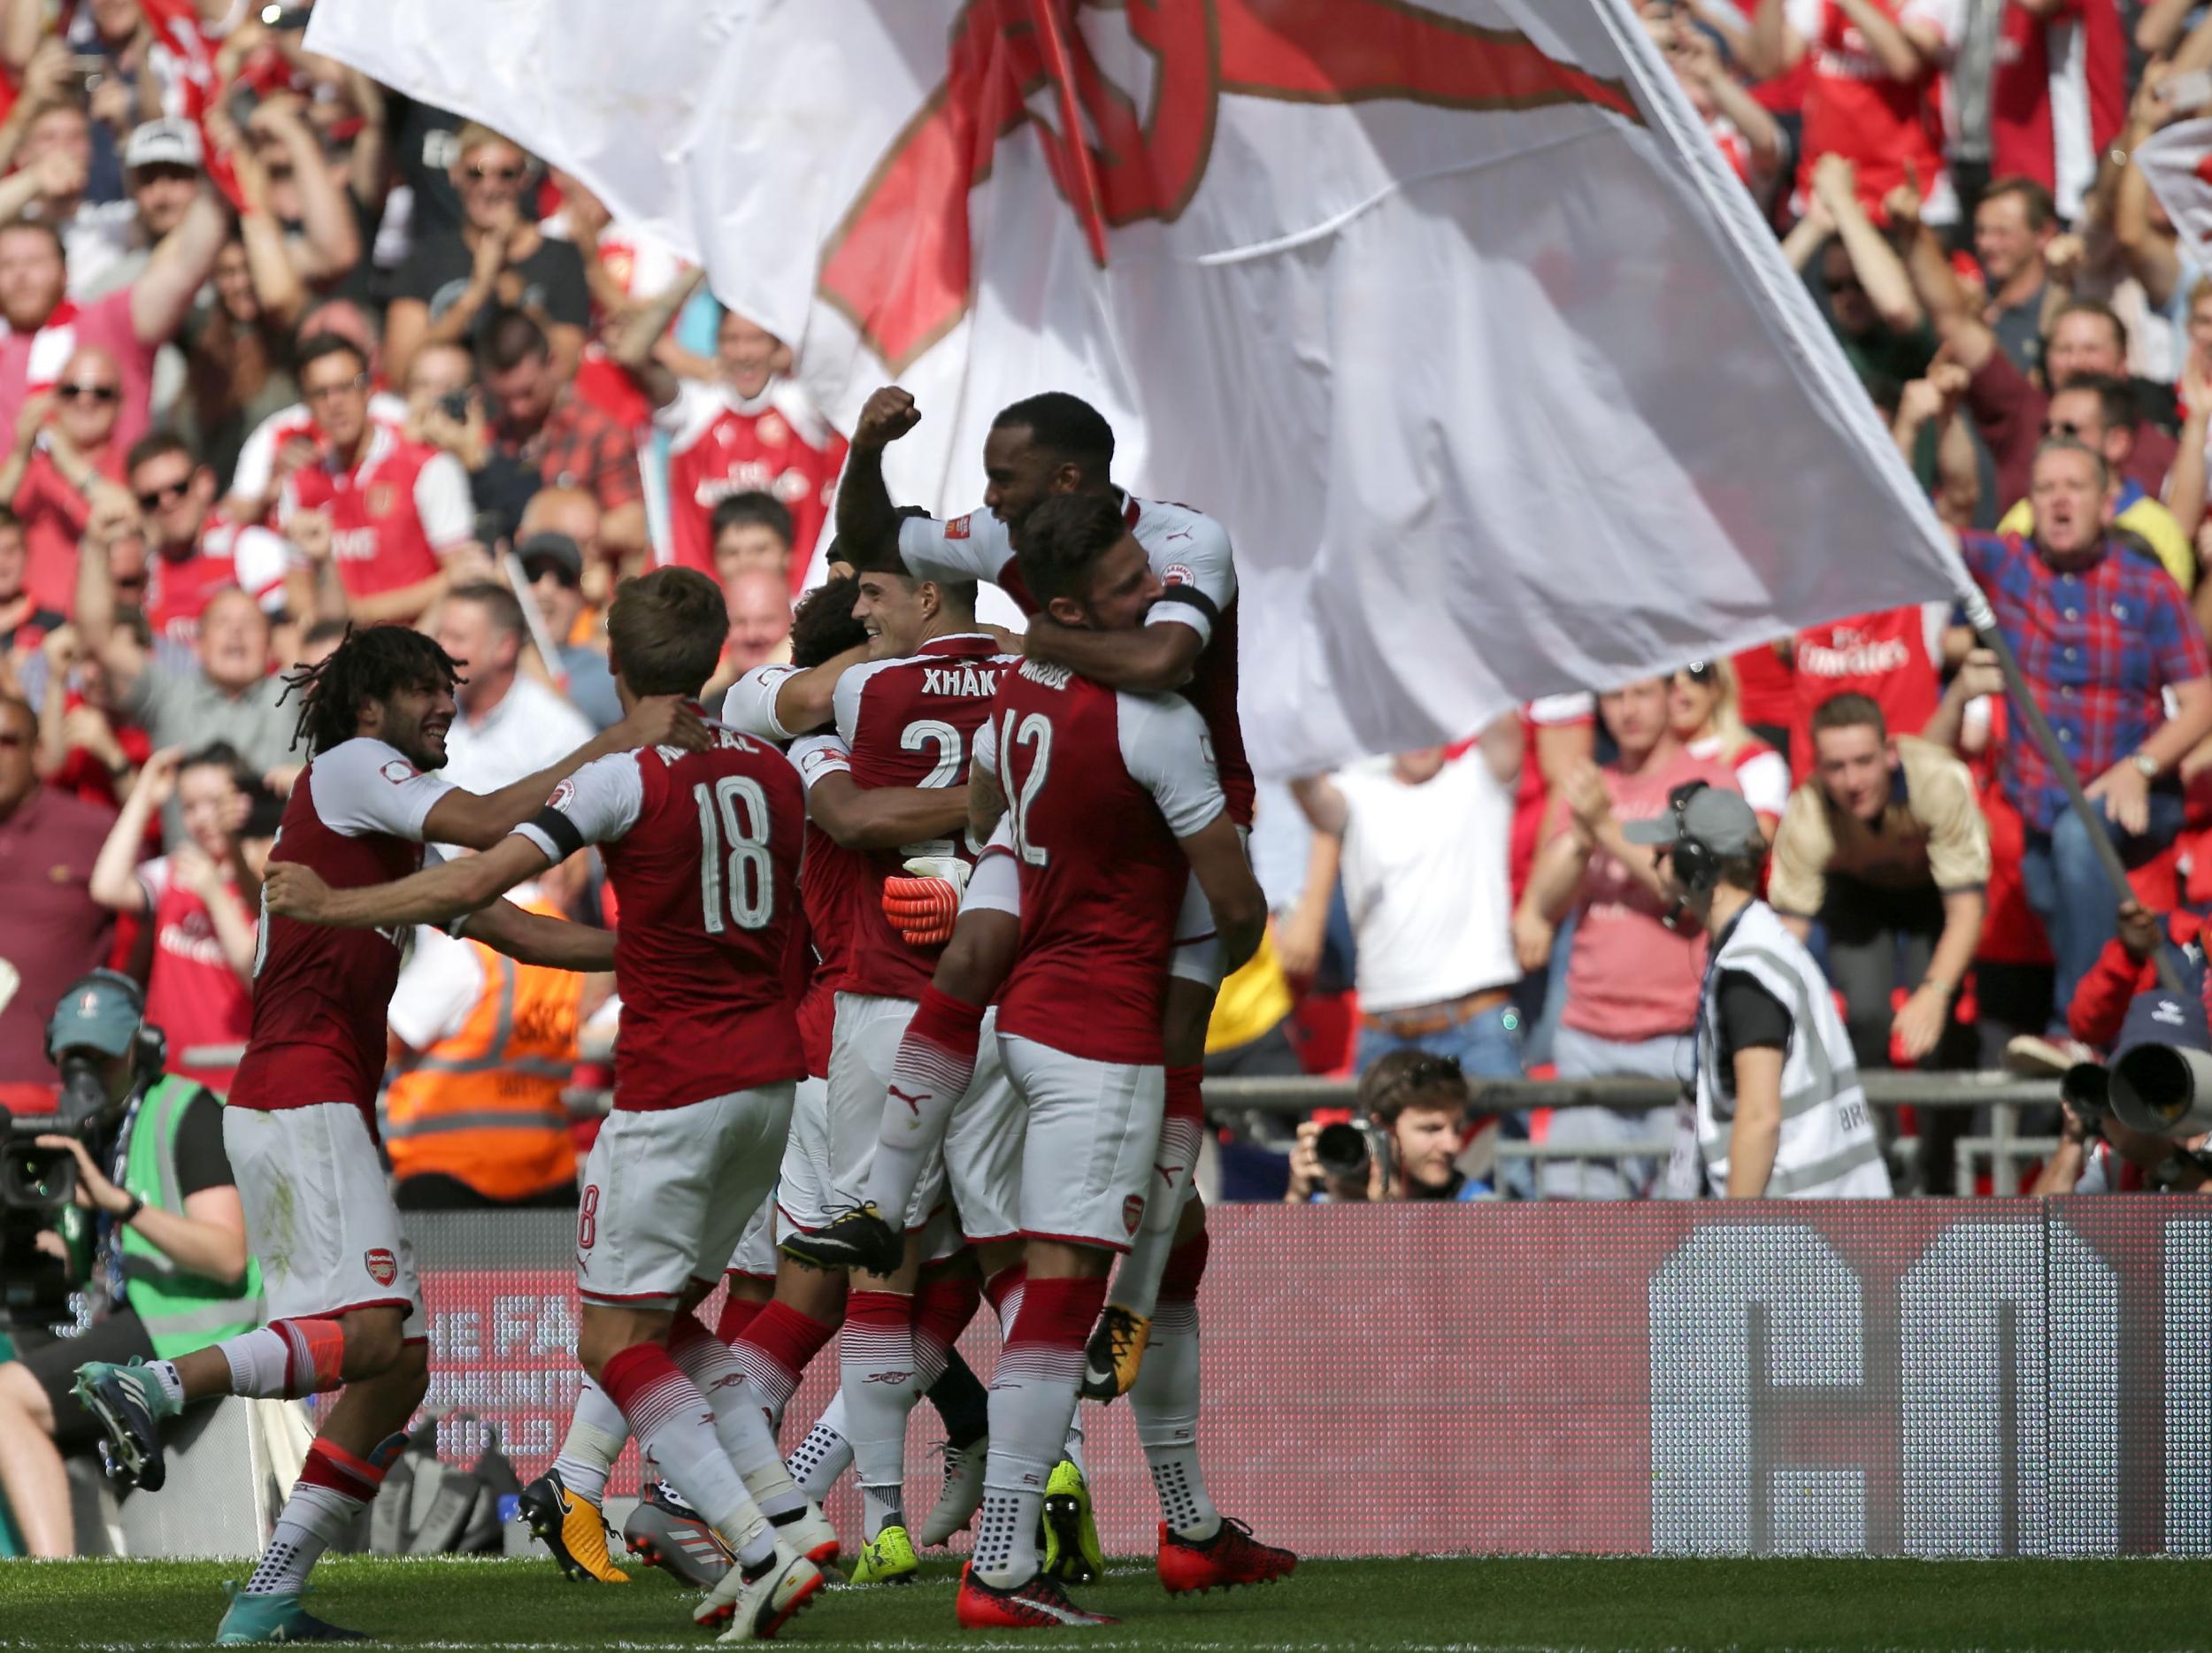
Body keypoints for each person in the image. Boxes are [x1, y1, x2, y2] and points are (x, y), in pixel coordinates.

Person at [68, 622, 701, 1644]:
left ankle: (268, 1594)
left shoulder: (377, 826)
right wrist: (616, 738)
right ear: (369, 709)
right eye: (422, 689)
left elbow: (520, 926)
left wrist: (665, 953)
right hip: (304, 1094)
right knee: (377, 1340)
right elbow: (500, 814)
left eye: (447, 687)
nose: (444, 703)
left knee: (396, 1362)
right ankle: (153, 1381)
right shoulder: (359, 768)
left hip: (304, 1099)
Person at [257, 573, 836, 1640]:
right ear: (708, 654)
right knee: (668, 1324)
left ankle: (752, 1546)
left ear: (613, 664)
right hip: (772, 1082)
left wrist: (332, 902)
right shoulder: (775, 772)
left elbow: (468, 877)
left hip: (672, 1090)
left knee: (611, 1339)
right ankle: (794, 1518)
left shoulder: (622, 778)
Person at [802, 386, 1250, 1414]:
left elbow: (1163, 656)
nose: (984, 495)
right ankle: (878, 1200)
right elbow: (874, 534)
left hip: (1183, 811)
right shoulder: (1005, 540)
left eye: (1001, 477)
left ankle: (1130, 1299)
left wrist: (1044, 644)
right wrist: (866, 451)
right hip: (1062, 805)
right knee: (964, 959)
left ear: (1065, 478)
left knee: (1177, 1037)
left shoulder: (1181, 541)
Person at [952, 491, 1285, 1629]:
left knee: (1172, 1246)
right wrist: (1207, 945)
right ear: (1064, 605)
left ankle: (1190, 1525)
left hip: (1024, 1012)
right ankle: (998, 1566)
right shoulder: (1156, 719)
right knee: (1063, 1300)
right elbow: (1237, 902)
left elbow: (991, 816)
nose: (1156, 593)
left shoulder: (1015, 686)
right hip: (1104, 1030)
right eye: (1130, 582)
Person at [805, 559, 1018, 1587]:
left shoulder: (859, 692)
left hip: (884, 1007)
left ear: (928, 596)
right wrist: (979, 862)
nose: (862, 615)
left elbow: (843, 812)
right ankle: (1046, 1492)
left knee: (872, 1265)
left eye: (877, 597)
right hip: (1009, 1005)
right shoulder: (1037, 678)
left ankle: (880, 1516)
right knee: (1017, 1260)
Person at [1955, 439, 2212, 1030]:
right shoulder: (2009, 565)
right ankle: (2113, 1012)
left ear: (2107, 502)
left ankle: (2077, 1027)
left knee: (2080, 835)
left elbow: (2201, 703)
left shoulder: (2147, 587)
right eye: (2045, 489)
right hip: (2036, 804)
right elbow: (1929, 534)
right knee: (2056, 891)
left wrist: (2140, 768)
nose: (2059, 501)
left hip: (2132, 796)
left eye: (2075, 487)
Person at [0, 971, 255, 1557]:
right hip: (138, 1318)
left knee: (6, 1398)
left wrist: (122, 1205)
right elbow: (102, 1262)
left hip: (193, 1325)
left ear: (140, 1050)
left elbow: (227, 1255)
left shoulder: (187, 1110)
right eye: (74, 1058)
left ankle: (53, 1581)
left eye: (102, 1058)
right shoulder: (98, 1133)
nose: (87, 1074)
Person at [1513, 678, 1739, 1200]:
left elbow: (1691, 894)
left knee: (1677, 1237)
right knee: (1582, 1238)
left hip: (1675, 1042)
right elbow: (1546, 902)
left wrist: (1604, 827)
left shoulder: (1708, 782)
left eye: (1640, 694)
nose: (1627, 711)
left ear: (1670, 695)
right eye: (1613, 698)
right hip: (1589, 1039)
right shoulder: (1592, 785)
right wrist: (1579, 835)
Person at [1629, 781, 1893, 1199]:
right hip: (1822, 1222)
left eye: (1663, 855)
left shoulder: (1747, 970)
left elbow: (1759, 1117)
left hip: (1795, 1233)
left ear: (1693, 865)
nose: (1654, 864)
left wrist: (1734, 1237)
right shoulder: (1764, 943)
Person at [1287, 728, 1524, 1078]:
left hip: (1479, 1027)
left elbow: (1502, 720)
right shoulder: (1355, 790)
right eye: (1405, 722)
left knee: (1503, 1135)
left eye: (1427, 720)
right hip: (1385, 1034)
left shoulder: (1479, 778)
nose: (1417, 736)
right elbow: (1309, 791)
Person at [381, 849, 592, 1210]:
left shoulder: (470, 938)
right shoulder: (559, 930)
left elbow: (387, 1039)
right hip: (545, 1174)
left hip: (450, 1175)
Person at [76, 514, 297, 835]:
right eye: (222, 623)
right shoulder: (168, 693)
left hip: (279, 880)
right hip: (186, 878)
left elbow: (335, 633)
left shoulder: (296, 694)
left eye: (249, 624)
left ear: (269, 646)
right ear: (198, 645)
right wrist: (95, 546)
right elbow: (98, 640)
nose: (236, 632)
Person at [614, 290, 844, 592]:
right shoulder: (695, 408)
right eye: (731, 340)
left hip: (797, 601)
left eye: (755, 339)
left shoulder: (801, 404)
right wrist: (697, 271)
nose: (744, 353)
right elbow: (633, 351)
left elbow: (840, 346)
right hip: (705, 606)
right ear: (717, 345)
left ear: (777, 345)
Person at [88, 744, 262, 1093]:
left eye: (214, 802)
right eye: (189, 807)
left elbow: (258, 977)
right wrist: (144, 796)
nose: (202, 818)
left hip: (236, 1082)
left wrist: (214, 893)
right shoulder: (174, 872)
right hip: (168, 1080)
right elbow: (106, 887)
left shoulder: (263, 881)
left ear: (242, 801)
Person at [0, 184, 225, 450]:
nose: (21, 275)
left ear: (65, 272)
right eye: (7, 264)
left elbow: (187, 267)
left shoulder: (109, 321)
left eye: (34, 262)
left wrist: (218, 171)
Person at [279, 334, 479, 625]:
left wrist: (358, 613)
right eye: (320, 393)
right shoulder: (300, 483)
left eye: (346, 387)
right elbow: (296, 590)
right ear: (306, 403)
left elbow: (460, 574)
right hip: (341, 650)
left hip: (418, 640)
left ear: (370, 389)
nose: (335, 403)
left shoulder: (427, 466)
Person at [384, 124, 589, 385]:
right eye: (476, 173)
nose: (490, 187)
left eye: (506, 174)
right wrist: (475, 294)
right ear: (455, 175)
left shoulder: (561, 257)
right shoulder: (426, 257)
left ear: (524, 178)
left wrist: (518, 297)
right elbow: (400, 372)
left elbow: (564, 368)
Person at [0, 692, 115, 1104]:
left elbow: (152, 918)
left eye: (8, 741)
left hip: (53, 1095)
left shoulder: (92, 830)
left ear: (38, 750)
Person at [1992, 375, 2196, 598]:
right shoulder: (2024, 516)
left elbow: (2167, 623)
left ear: (2117, 443)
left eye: (2070, 430)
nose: (2053, 439)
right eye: (2047, 428)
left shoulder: (2160, 530)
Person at [473, 308, 646, 562]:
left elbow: (633, 528)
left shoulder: (598, 433)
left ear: (552, 362)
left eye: (526, 392)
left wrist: (551, 530)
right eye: (503, 398)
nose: (517, 409)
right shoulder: (487, 438)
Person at [124, 432, 291, 645]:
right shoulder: (143, 569)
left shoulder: (251, 548)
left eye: (179, 488)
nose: (167, 503)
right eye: (151, 499)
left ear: (204, 483)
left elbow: (286, 640)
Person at [431, 580, 594, 796]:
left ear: (505, 647)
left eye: (457, 638)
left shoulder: (558, 734)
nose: (442, 648)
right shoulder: (426, 708)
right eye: (441, 635)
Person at [6, 343, 130, 612]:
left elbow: (126, 513)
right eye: (72, 391)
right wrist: (20, 450)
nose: (86, 401)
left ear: (120, 403)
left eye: (101, 392)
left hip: (102, 631)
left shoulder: (133, 466)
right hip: (29, 632)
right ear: (55, 397)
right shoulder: (29, 468)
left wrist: (65, 459)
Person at [1284, 1050, 1486, 1203]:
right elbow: (1267, 1257)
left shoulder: (1479, 1207)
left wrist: (1385, 1220)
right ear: (1380, 1128)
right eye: (1431, 1129)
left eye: (1458, 1128)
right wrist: (1296, 1197)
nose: (1453, 1146)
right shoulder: (1330, 1196)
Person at [1667, 657, 1792, 834]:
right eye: (1667, 678)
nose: (1680, 688)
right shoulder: (1637, 764)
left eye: (1697, 673)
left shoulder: (1756, 759)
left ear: (1718, 686)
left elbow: (1757, 839)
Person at [517, 528, 620, 730]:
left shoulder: (604, 671)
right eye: (532, 575)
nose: (546, 590)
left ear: (581, 598)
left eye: (563, 578)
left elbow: (569, 734)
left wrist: (525, 650)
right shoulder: (481, 660)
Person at [1969, 176, 2056, 379]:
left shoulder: (2059, 312)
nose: (1985, 243)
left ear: (2044, 234)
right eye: (1981, 231)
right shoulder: (1973, 303)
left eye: (2002, 232)